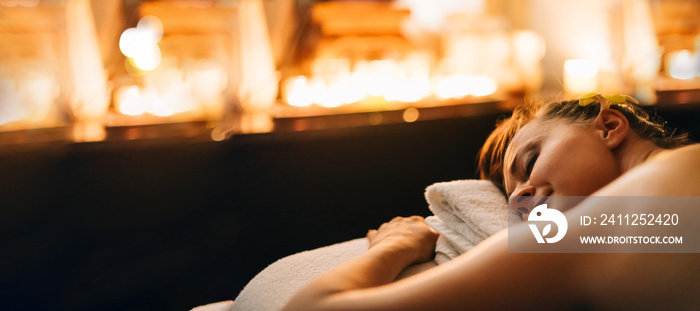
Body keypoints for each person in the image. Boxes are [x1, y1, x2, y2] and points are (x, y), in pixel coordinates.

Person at [282, 94, 700, 311]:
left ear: (608, 126)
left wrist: (395, 246)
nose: (520, 196)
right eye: (511, 197)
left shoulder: (599, 232)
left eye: (531, 160)